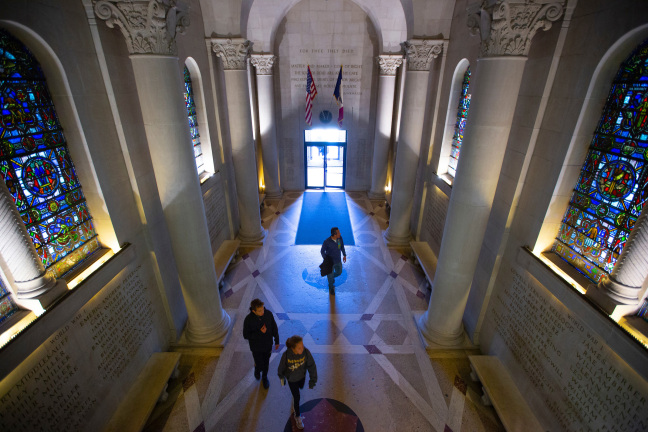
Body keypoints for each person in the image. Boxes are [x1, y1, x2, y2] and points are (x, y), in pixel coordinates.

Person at [277, 335, 318, 430]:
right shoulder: (286, 355)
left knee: (301, 387)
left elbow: (312, 366)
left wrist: (312, 380)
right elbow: (281, 369)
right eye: (299, 348)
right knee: (297, 396)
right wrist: (282, 379)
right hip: (292, 380)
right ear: (293, 349)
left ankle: (296, 394)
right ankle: (297, 416)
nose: (302, 348)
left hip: (301, 377)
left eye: (302, 346)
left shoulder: (306, 353)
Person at [243, 299, 279, 389]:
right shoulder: (248, 320)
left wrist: (277, 340)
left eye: (263, 309)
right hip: (256, 347)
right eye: (259, 311)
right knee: (259, 362)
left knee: (266, 363)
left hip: (267, 345)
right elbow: (246, 335)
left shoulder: (268, 314)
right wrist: (259, 333)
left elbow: (274, 327)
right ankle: (257, 368)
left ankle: (264, 377)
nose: (262, 311)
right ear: (253, 311)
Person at [320, 226, 347, 295]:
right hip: (330, 263)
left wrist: (344, 255)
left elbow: (342, 247)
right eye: (338, 233)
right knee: (330, 277)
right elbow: (322, 251)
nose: (340, 234)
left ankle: (331, 278)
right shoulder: (327, 242)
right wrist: (326, 259)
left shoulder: (339, 239)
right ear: (334, 234)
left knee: (339, 272)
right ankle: (331, 287)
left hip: (338, 261)